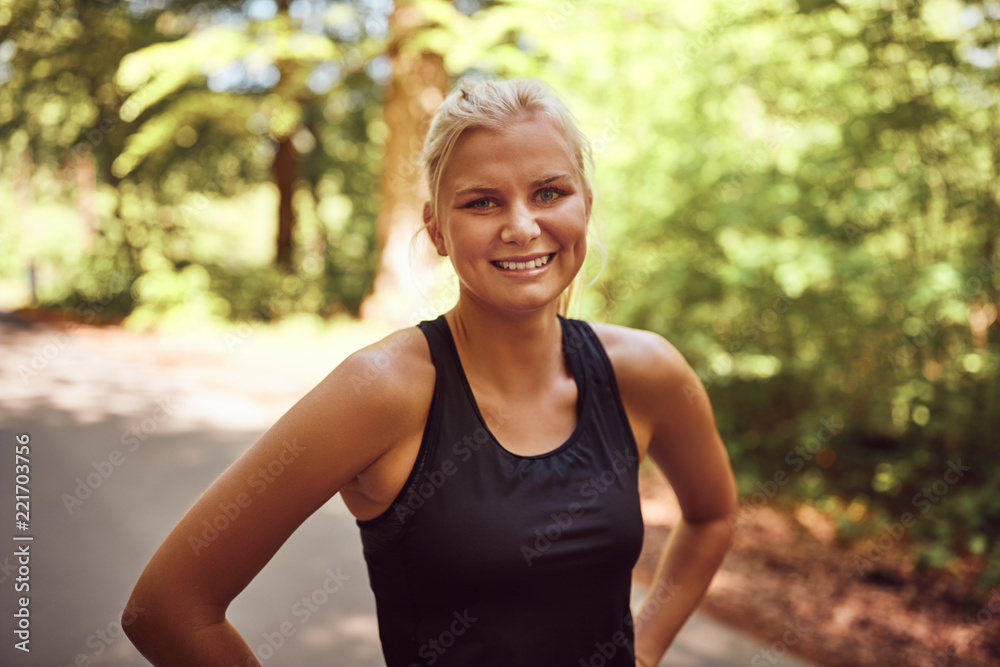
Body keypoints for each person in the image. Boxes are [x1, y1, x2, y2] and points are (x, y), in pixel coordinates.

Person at [123, 78, 738, 667]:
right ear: (438, 229)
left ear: (586, 205)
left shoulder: (645, 372)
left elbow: (712, 515)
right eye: (482, 202)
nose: (523, 226)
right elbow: (168, 609)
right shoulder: (381, 391)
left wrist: (645, 649)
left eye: (549, 192)